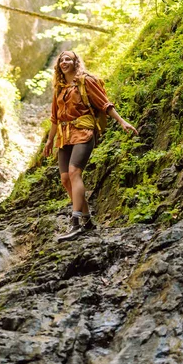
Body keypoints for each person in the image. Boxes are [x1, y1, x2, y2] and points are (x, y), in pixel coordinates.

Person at [43, 50, 138, 242]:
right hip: (64, 136)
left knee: (74, 173)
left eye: (68, 59)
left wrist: (122, 122)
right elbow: (55, 118)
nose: (64, 62)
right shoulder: (59, 88)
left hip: (84, 132)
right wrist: (49, 140)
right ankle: (87, 221)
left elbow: (105, 104)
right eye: (61, 60)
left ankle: (75, 222)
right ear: (58, 65)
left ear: (75, 62)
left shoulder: (86, 81)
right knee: (65, 179)